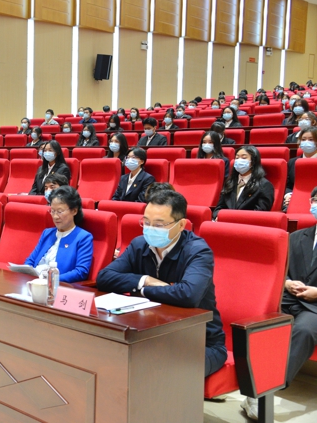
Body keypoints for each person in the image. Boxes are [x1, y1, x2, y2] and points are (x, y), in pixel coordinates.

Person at [97, 190, 227, 377]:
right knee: (106, 360)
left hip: (199, 343)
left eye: (158, 225)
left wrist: (142, 291)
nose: (150, 229)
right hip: (150, 338)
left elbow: (188, 295)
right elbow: (104, 277)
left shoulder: (197, 251)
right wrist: (145, 280)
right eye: (146, 222)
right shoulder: (139, 244)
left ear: (181, 225)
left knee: (157, 374)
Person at [243, 187, 317, 419]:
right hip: (288, 297)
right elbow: (278, 270)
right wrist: (287, 283)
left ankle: (261, 391)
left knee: (305, 330)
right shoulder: (296, 237)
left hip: (315, 307)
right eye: (316, 200)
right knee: (252, 314)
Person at [24, 186, 93, 283]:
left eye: (60, 212)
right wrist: (24, 271)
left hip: (58, 286)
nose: (55, 216)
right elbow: (31, 261)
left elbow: (81, 272)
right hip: (35, 282)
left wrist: (51, 280)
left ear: (74, 211)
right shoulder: (47, 233)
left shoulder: (83, 237)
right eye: (52, 211)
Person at [213, 146, 274, 219]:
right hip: (225, 222)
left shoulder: (264, 185)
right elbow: (219, 208)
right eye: (237, 158)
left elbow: (260, 214)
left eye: (244, 158)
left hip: (246, 224)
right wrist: (218, 216)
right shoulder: (230, 182)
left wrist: (233, 219)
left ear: (253, 161)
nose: (239, 160)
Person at [284, 127, 317, 210]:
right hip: (296, 202)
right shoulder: (292, 162)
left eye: (311, 139)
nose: (306, 142)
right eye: (303, 139)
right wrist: (289, 195)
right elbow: (287, 185)